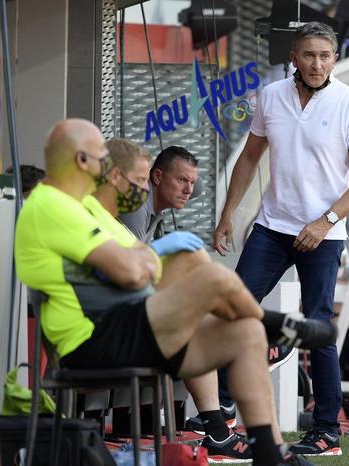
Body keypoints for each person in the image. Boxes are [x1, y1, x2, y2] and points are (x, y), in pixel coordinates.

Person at [14, 118, 326, 466]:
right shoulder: (54, 206)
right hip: (89, 339)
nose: (107, 165)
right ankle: (276, 324)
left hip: (122, 326)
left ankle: (272, 455)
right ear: (81, 160)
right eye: (101, 155)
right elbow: (133, 273)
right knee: (210, 279)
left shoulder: (82, 207)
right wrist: (143, 263)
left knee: (244, 332)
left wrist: (144, 262)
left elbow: (140, 260)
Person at [213, 22, 349, 456]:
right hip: (272, 226)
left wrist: (324, 222)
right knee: (232, 309)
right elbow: (249, 158)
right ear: (294, 58)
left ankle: (327, 432)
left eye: (324, 56)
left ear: (335, 59)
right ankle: (221, 412)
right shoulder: (271, 96)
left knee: (318, 325)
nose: (317, 64)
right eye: (308, 55)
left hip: (324, 233)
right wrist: (228, 215)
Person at [87, 138, 249, 462]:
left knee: (196, 304)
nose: (190, 190)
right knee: (195, 304)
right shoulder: (131, 207)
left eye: (192, 182)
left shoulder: (145, 206)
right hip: (103, 328)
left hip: (121, 315)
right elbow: (133, 274)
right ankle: (258, 328)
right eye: (140, 179)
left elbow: (137, 271)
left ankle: (219, 429)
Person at [118, 145, 199, 243]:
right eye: (181, 180)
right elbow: (132, 252)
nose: (189, 190)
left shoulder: (155, 205)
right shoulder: (137, 203)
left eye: (192, 183)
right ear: (157, 176)